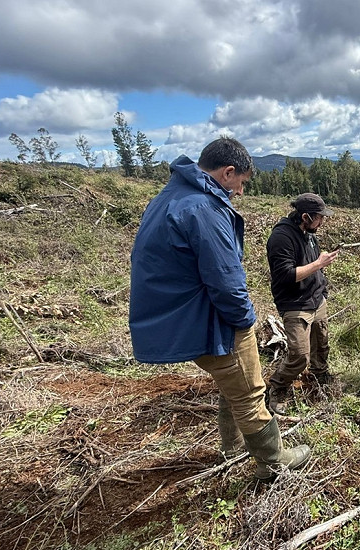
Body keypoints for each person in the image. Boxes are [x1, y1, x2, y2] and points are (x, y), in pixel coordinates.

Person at [129, 137, 310, 481]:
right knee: (250, 392)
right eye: (241, 182)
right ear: (227, 173)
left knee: (233, 384)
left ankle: (232, 447)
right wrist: (246, 321)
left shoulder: (169, 198)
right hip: (211, 318)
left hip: (186, 316)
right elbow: (225, 279)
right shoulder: (204, 209)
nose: (240, 191)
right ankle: (273, 462)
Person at [266, 192, 339, 415]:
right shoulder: (281, 237)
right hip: (295, 303)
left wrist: (322, 288)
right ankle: (278, 388)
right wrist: (319, 264)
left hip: (316, 299)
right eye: (319, 217)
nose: (322, 221)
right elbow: (286, 275)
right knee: (299, 354)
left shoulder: (308, 233)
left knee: (321, 344)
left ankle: (320, 377)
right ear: (305, 216)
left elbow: (312, 265)